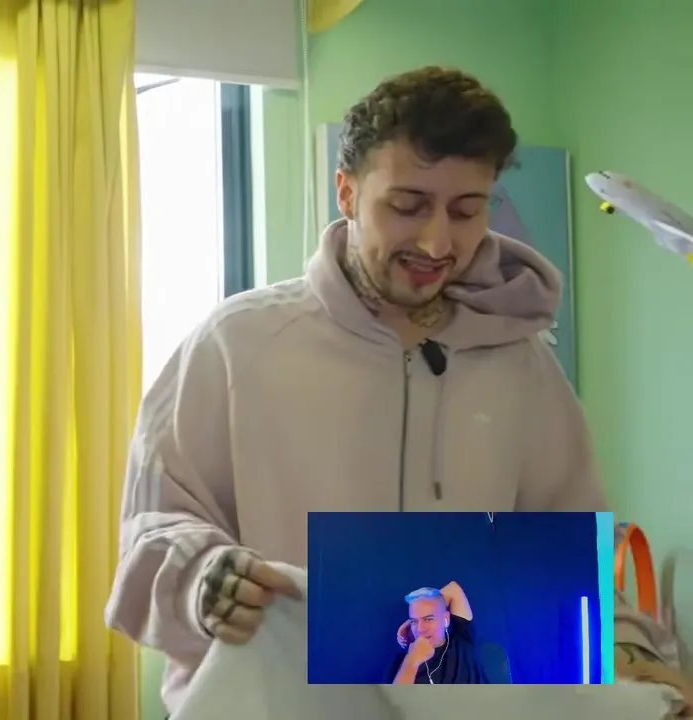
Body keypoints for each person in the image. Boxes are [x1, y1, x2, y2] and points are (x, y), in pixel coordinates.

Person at [103, 65, 612, 713]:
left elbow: (572, 565)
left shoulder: (522, 366)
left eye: (466, 211)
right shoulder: (235, 345)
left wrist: (634, 659)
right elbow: (149, 533)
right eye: (407, 206)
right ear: (346, 192)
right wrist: (202, 579)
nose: (437, 241)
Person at [386, 583, 485, 684]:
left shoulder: (462, 639)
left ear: (446, 619)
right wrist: (411, 662)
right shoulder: (401, 664)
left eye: (429, 619)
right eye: (414, 621)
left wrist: (408, 623)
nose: (420, 629)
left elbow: (454, 589)